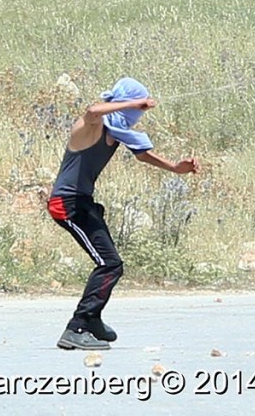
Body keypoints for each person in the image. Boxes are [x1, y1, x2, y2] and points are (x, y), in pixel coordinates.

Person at [47, 78, 200, 351]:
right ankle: (77, 326)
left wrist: (176, 169)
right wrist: (132, 103)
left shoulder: (115, 134)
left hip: (83, 203)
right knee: (109, 264)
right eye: (136, 110)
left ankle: (92, 320)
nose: (137, 116)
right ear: (122, 104)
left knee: (112, 263)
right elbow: (92, 111)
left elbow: (143, 155)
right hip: (66, 203)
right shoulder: (89, 128)